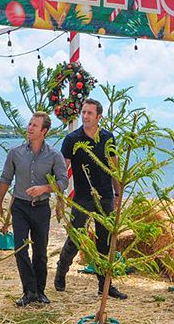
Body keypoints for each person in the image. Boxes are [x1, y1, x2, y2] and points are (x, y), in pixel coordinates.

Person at [54, 98, 128, 300]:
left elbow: (114, 168)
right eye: (83, 113)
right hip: (83, 197)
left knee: (104, 243)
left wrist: (118, 195)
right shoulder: (72, 139)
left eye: (89, 113)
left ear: (98, 117)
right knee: (76, 239)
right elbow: (62, 171)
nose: (85, 116)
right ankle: (61, 272)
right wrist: (60, 199)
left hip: (105, 198)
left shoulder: (107, 138)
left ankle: (105, 287)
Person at [0, 111, 68, 307]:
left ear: (44, 131)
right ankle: (29, 291)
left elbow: (63, 181)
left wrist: (45, 188)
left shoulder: (54, 155)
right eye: (29, 124)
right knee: (20, 248)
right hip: (19, 207)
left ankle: (40, 292)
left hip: (41, 208)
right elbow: (5, 179)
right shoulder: (15, 153)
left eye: (35, 125)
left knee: (40, 251)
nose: (30, 128)